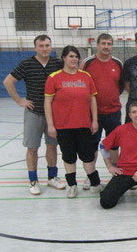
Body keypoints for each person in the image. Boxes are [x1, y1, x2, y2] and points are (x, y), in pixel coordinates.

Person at [3, 35, 65, 195]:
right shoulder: (27, 64)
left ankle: (52, 177)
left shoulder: (58, 64)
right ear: (36, 48)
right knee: (32, 148)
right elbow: (8, 81)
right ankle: (33, 180)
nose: (45, 48)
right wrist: (19, 101)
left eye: (47, 45)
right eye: (41, 45)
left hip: (53, 113)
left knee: (52, 146)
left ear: (51, 46)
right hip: (34, 112)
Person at [44, 46, 103, 198]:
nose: (74, 59)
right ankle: (72, 186)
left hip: (83, 125)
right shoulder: (54, 77)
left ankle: (95, 184)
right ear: (64, 58)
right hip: (64, 126)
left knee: (88, 156)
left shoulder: (86, 76)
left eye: (76, 56)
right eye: (71, 56)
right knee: (69, 157)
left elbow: (93, 99)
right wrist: (50, 125)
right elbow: (47, 102)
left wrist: (95, 120)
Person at [80, 33, 124, 190]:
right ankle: (90, 177)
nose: (106, 46)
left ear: (112, 46)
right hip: (92, 113)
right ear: (97, 45)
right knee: (91, 146)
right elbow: (81, 82)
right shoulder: (87, 63)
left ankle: (116, 175)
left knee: (114, 146)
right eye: (103, 43)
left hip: (113, 112)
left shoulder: (118, 63)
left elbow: (120, 86)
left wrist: (110, 97)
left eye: (109, 44)